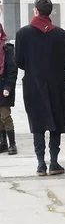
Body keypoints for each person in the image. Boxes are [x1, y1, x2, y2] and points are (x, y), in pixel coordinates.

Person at [15, 0, 65, 176]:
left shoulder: (23, 34)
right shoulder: (61, 34)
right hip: (57, 83)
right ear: (49, 12)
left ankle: (40, 164)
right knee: (56, 120)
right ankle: (54, 162)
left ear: (35, 11)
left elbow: (19, 62)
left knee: (37, 122)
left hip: (34, 82)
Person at [0, 23, 18, 155]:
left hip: (4, 86)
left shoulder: (8, 49)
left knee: (5, 115)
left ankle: (12, 144)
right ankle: (3, 143)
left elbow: (12, 70)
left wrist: (8, 87)